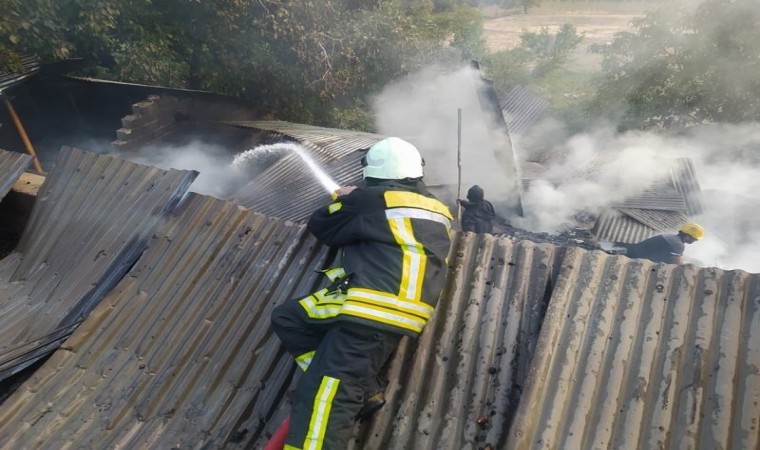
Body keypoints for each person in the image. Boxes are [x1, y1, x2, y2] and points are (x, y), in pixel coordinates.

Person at [271, 137, 453, 450]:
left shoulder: (371, 199)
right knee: (289, 318)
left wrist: (342, 195)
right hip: (399, 308)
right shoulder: (439, 209)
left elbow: (324, 226)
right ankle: (364, 389)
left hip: (370, 307)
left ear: (373, 171)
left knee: (325, 396)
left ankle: (343, 389)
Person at [626, 222, 705, 264]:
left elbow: (677, 255)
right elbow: (677, 264)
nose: (695, 241)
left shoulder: (671, 238)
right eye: (695, 238)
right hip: (636, 263)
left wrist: (693, 260)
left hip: (631, 255)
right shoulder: (678, 245)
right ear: (687, 236)